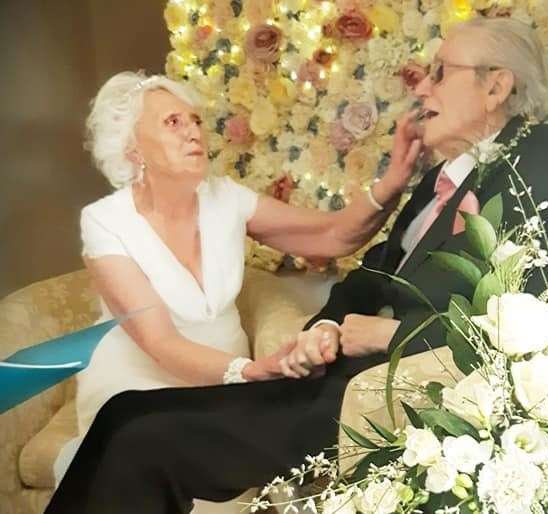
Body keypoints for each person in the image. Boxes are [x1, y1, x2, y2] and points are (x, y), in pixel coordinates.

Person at [46, 17, 548, 514]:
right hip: (325, 376)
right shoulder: (441, 182)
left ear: (496, 85)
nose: (423, 87)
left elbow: (532, 319)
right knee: (122, 415)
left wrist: (390, 333)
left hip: (376, 395)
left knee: (143, 442)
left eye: (440, 72)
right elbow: (365, 279)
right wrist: (322, 329)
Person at [52, 71, 421, 479]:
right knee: (139, 453)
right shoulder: (105, 221)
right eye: (173, 122)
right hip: (137, 381)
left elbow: (333, 235)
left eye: (195, 121)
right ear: (132, 148)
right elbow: (159, 341)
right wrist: (247, 370)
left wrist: (396, 179)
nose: (193, 132)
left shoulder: (225, 197)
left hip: (226, 381)